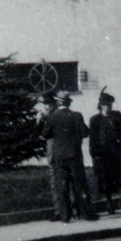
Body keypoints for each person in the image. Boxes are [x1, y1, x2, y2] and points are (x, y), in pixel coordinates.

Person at [42, 90, 96, 221]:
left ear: (58, 103)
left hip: (59, 156)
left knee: (62, 186)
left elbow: (45, 134)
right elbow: (85, 132)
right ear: (69, 103)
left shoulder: (52, 117)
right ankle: (86, 213)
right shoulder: (76, 116)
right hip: (74, 155)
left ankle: (65, 216)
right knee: (80, 184)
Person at [88, 93, 121, 214]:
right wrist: (95, 155)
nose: (108, 107)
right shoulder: (95, 120)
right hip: (104, 155)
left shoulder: (117, 115)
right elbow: (93, 139)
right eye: (105, 105)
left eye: (110, 105)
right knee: (106, 180)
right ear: (101, 106)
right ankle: (110, 205)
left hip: (118, 153)